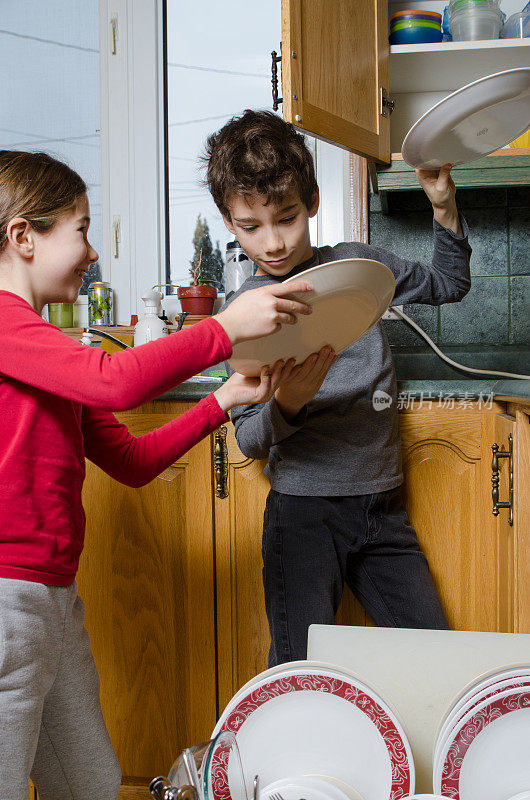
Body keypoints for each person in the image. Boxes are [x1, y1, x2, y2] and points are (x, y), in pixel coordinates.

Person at [0, 149, 314, 800]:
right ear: (23, 237)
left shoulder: (49, 351)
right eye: (81, 229)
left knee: (88, 784)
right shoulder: (5, 326)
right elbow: (115, 383)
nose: (91, 254)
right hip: (7, 603)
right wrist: (224, 328)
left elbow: (133, 462)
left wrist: (224, 399)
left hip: (53, 604)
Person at [204, 109, 472, 667]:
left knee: (439, 663)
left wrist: (443, 203)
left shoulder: (360, 266)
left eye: (288, 217)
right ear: (230, 223)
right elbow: (251, 440)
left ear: (314, 202)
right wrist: (290, 403)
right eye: (251, 227)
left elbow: (451, 283)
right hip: (303, 515)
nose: (273, 242)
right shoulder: (242, 314)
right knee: (299, 677)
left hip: (383, 507)